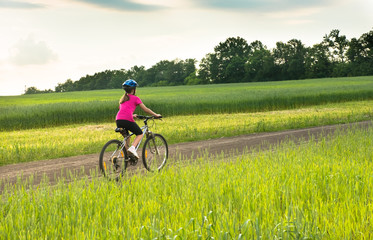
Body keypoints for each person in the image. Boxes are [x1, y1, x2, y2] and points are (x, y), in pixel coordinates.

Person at [116, 79, 161, 159]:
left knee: (127, 137)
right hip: (127, 119)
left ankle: (127, 157)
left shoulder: (123, 99)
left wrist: (132, 115)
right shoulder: (135, 98)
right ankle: (132, 148)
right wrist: (156, 115)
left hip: (118, 120)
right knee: (139, 133)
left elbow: (123, 111)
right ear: (134, 89)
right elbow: (146, 109)